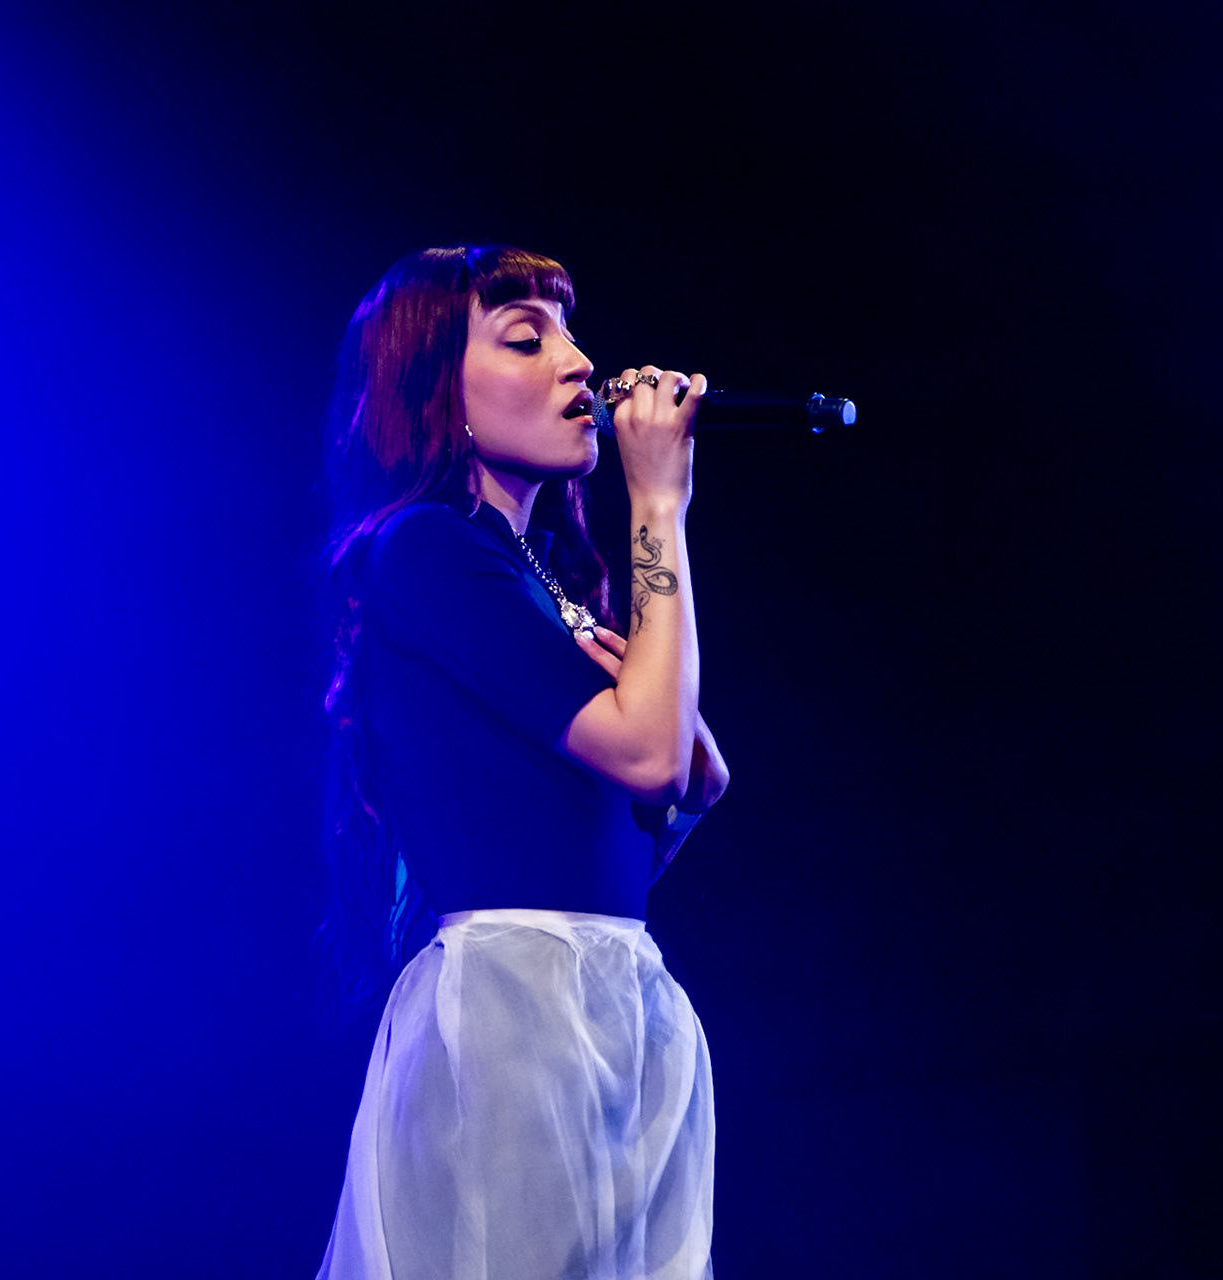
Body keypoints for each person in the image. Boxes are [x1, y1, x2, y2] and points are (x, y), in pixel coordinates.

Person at [315, 244, 727, 1280]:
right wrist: (659, 508)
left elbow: (682, 776)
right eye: (527, 336)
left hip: (609, 985)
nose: (581, 362)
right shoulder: (426, 549)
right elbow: (645, 752)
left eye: (571, 332)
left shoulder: (540, 574)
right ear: (437, 391)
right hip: (519, 1002)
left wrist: (670, 742)